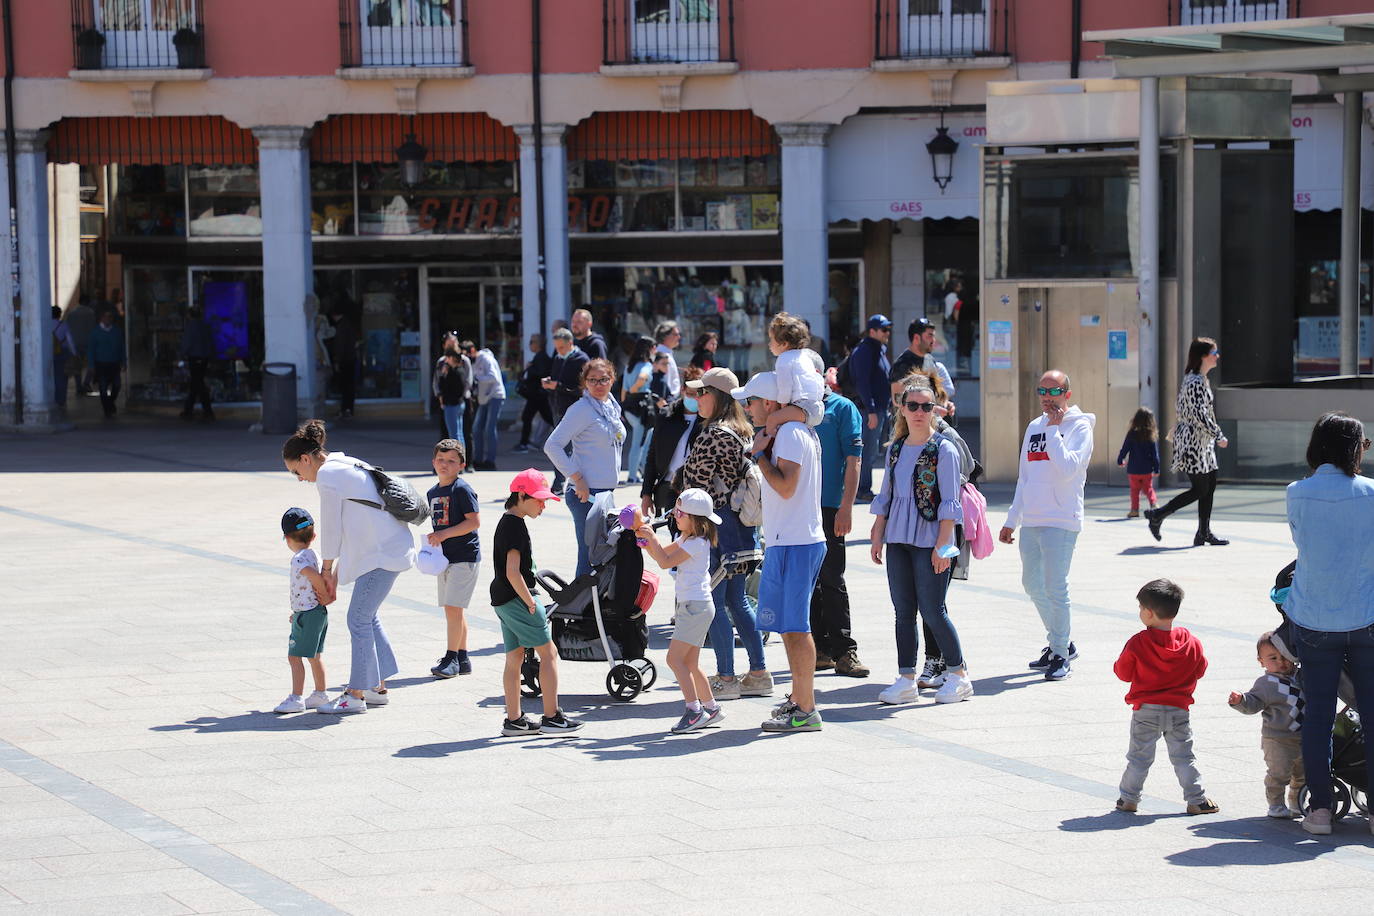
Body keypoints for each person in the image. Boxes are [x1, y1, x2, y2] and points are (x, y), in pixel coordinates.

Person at [1282, 412, 1374, 836]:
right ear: (1355, 449)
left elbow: (1303, 542)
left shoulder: (1297, 492)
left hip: (1315, 618)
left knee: (1318, 715)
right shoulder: (1371, 493)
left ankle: (1319, 810)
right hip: (1366, 615)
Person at [282, 420, 413, 715]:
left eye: (296, 471)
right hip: (387, 548)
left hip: (382, 553)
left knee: (358, 619)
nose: (300, 478)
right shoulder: (343, 462)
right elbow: (352, 526)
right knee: (367, 617)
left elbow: (331, 528)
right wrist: (334, 574)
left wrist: (327, 571)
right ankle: (376, 687)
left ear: (306, 459)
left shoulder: (328, 476)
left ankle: (355, 695)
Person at [733, 370, 827, 732]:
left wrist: (758, 457)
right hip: (788, 540)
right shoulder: (788, 432)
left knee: (797, 627)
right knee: (789, 627)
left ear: (770, 403)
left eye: (751, 401)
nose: (748, 408)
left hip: (797, 542)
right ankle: (799, 700)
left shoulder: (788, 434)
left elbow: (786, 487)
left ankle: (806, 708)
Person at [869, 376, 973, 705]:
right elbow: (886, 493)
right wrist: (877, 530)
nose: (918, 412)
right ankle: (905, 678)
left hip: (931, 539)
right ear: (901, 408)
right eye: (912, 405)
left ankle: (958, 674)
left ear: (934, 409)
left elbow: (950, 503)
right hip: (897, 537)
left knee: (933, 609)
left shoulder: (944, 449)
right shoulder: (896, 449)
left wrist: (945, 545)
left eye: (925, 406)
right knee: (903, 611)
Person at [999, 370, 1095, 681]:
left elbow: (1068, 468)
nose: (1046, 397)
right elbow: (1024, 477)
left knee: (1056, 587)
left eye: (1053, 391)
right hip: (1033, 520)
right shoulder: (1033, 427)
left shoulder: (1079, 426)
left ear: (1067, 394)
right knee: (1032, 584)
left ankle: (1059, 653)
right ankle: (1061, 642)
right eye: (1041, 390)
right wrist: (1012, 520)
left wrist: (1055, 431)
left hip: (1062, 519)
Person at [683, 367, 769, 701]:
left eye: (701, 392)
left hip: (716, 529)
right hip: (742, 530)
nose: (696, 398)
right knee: (737, 601)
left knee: (716, 605)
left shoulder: (713, 434)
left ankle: (727, 678)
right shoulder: (742, 429)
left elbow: (696, 487)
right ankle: (759, 672)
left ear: (717, 397)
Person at [1113, 578, 1219, 816]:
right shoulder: (1191, 642)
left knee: (1139, 758)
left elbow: (1123, 673)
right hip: (1178, 709)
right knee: (1184, 758)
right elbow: (1200, 669)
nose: (1139, 612)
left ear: (1149, 614)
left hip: (1146, 710)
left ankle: (1128, 799)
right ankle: (1197, 800)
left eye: (1141, 608)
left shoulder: (1138, 642)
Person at [493, 469, 583, 736]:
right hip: (518, 598)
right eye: (539, 500)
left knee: (514, 657)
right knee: (549, 654)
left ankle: (514, 720)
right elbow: (513, 571)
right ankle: (552, 716)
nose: (543, 505)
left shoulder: (506, 520)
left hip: (501, 598)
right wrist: (530, 603)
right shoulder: (516, 526)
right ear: (521, 495)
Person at [637, 488, 724, 734]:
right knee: (690, 663)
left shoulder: (697, 542)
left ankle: (694, 711)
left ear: (695, 518)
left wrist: (651, 538)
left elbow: (665, 561)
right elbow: (663, 555)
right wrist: (647, 542)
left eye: (680, 512)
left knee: (674, 660)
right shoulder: (687, 538)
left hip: (694, 607)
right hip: (695, 605)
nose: (675, 515)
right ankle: (711, 708)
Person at [543, 358, 625, 579]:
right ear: (584, 383)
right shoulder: (581, 409)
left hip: (606, 493)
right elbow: (552, 445)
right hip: (586, 494)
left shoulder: (611, 407)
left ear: (612, 380)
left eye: (604, 379)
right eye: (592, 380)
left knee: (603, 557)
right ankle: (580, 611)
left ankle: (595, 609)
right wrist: (577, 478)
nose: (599, 385)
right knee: (589, 557)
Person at [810, 378, 869, 678]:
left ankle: (844, 650)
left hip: (831, 507)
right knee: (809, 583)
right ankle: (818, 649)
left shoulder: (842, 408)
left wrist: (846, 507)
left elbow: (854, 461)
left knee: (832, 578)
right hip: (800, 509)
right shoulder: (795, 407)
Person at [1146, 338, 1229, 546]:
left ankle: (1203, 532)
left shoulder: (1199, 379)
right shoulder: (1194, 381)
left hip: (1203, 442)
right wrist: (1219, 435)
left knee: (1209, 485)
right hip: (1193, 442)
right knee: (1200, 488)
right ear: (1203, 356)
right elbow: (1199, 415)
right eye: (1214, 352)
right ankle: (1158, 515)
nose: (1217, 356)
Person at [1227, 632, 1306, 819]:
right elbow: (1253, 702)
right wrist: (1241, 701)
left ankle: (1296, 801)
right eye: (1273, 658)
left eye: (1285, 656)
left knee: (1303, 774)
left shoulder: (1300, 677)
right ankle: (1276, 804)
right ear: (1261, 661)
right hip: (1277, 739)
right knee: (1279, 773)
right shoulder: (1266, 683)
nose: (1281, 662)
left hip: (1302, 736)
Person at [426, 439, 480, 679]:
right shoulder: (433, 492)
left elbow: (473, 522)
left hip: (464, 557)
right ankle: (462, 657)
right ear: (433, 462)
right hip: (444, 558)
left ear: (461, 465)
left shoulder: (462, 489)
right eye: (441, 460)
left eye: (451, 461)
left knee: (452, 608)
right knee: (454, 610)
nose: (444, 465)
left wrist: (443, 534)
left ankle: (450, 658)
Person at [273, 507, 334, 714]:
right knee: (315, 655)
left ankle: (296, 697)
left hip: (308, 613)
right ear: (313, 535)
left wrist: (322, 592)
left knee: (294, 656)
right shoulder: (314, 554)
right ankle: (320, 693)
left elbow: (311, 577)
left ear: (287, 538)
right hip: (313, 612)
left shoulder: (298, 559)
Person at [640, 365, 702, 519]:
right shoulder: (667, 415)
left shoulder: (709, 420)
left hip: (698, 491)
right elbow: (652, 456)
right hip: (670, 490)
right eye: (690, 394)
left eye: (698, 395)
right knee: (676, 534)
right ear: (682, 390)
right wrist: (646, 493)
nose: (694, 399)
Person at [849, 314, 893, 502]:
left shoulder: (878, 350)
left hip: (878, 409)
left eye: (888, 329)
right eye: (884, 330)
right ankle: (862, 489)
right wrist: (871, 410)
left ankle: (863, 487)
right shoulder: (865, 351)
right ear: (872, 331)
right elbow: (862, 383)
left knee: (872, 450)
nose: (887, 333)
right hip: (869, 411)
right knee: (867, 450)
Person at [762, 312, 824, 437]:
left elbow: (785, 386)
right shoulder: (803, 356)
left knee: (772, 419)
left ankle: (768, 446)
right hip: (817, 407)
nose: (769, 344)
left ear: (784, 344)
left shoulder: (784, 359)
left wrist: (783, 406)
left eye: (771, 340)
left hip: (803, 406)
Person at [889, 317, 955, 417]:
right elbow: (898, 401)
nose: (933, 340)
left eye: (933, 336)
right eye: (929, 336)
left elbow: (935, 392)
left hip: (929, 424)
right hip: (908, 428)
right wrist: (933, 409)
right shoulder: (902, 364)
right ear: (916, 338)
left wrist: (946, 404)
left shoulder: (930, 359)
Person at [620, 336, 656, 485]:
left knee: (638, 441)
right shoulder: (646, 365)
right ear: (649, 349)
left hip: (629, 407)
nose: (655, 350)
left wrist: (624, 403)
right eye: (654, 347)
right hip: (641, 407)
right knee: (639, 443)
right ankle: (633, 475)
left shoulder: (629, 365)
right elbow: (642, 379)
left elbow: (623, 388)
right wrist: (635, 390)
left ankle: (636, 472)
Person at [467, 340, 505, 471]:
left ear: (472, 351)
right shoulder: (472, 362)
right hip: (483, 398)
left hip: (495, 396)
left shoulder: (486, 359)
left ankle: (490, 461)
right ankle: (478, 459)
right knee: (477, 428)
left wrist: (477, 378)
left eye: (467, 354)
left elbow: (493, 377)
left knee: (490, 428)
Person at [1117, 407, 1160, 519]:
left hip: (1133, 470)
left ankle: (1134, 510)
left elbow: (1124, 449)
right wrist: (1156, 468)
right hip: (1147, 469)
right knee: (1149, 488)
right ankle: (1154, 504)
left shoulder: (1131, 434)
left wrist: (1120, 459)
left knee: (1134, 491)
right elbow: (1155, 455)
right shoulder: (1151, 435)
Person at [513, 333, 553, 454]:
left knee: (546, 418)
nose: (530, 344)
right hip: (536, 395)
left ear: (538, 344)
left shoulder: (541, 357)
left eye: (531, 342)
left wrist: (530, 368)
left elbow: (542, 373)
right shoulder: (539, 357)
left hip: (537, 395)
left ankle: (524, 444)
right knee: (541, 417)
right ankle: (524, 443)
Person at [179, 305, 215, 421]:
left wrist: (182, 354)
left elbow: (187, 343)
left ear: (189, 315)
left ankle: (206, 411)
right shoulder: (205, 326)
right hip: (204, 358)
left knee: (198, 383)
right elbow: (210, 341)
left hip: (195, 358)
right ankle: (189, 410)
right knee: (196, 383)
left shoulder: (190, 327)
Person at [88, 309, 125, 419]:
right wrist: (91, 365)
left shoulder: (117, 331)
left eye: (110, 317)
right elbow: (91, 350)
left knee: (117, 385)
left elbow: (122, 347)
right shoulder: (95, 332)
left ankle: (110, 402)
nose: (109, 319)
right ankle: (107, 409)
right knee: (103, 388)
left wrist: (124, 361)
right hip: (101, 364)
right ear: (101, 318)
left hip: (114, 363)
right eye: (106, 316)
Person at [436, 349, 471, 450]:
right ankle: (461, 458)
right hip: (459, 404)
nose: (446, 361)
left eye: (447, 358)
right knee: (459, 434)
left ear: (452, 358)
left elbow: (443, 387)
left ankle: (457, 459)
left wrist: (443, 375)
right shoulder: (461, 371)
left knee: (454, 435)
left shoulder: (454, 373)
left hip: (452, 405)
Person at [66, 295, 96, 395]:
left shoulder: (72, 313)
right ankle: (86, 383)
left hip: (75, 342)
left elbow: (68, 328)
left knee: (77, 365)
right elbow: (93, 328)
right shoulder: (90, 313)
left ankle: (79, 386)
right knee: (92, 363)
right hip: (88, 342)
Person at [49, 307, 78, 411]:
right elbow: (69, 339)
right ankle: (60, 400)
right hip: (62, 353)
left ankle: (50, 399)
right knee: (61, 378)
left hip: (48, 353)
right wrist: (74, 353)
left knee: (49, 377)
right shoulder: (63, 325)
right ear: (59, 314)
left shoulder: (45, 324)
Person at [331, 309, 358, 419]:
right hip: (350, 358)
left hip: (345, 360)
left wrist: (337, 360)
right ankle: (348, 409)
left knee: (345, 386)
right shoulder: (348, 325)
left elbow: (340, 346)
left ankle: (345, 409)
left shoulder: (341, 327)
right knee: (349, 386)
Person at [653, 320, 682, 398]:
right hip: (666, 400)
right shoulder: (661, 355)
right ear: (664, 336)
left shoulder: (667, 353)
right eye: (675, 334)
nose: (679, 337)